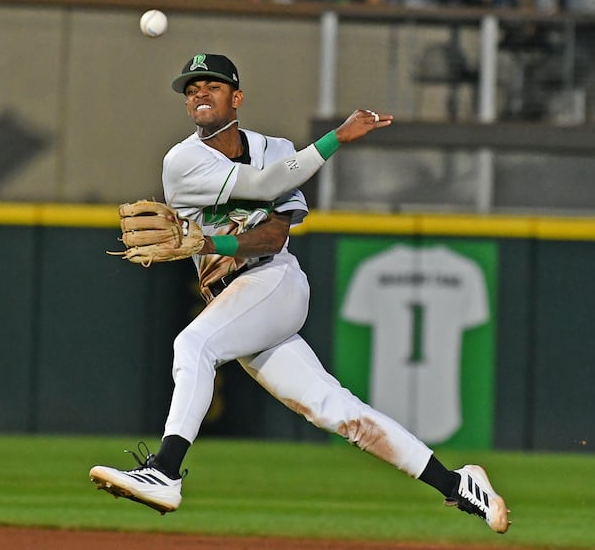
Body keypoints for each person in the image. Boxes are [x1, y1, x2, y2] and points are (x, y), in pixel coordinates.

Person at [89, 53, 510, 534]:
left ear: (237, 97)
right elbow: (264, 185)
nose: (199, 93)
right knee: (337, 412)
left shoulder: (276, 149)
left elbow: (272, 236)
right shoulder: (182, 161)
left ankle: (164, 472)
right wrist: (331, 143)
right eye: (191, 89)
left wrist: (211, 240)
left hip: (274, 282)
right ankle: (459, 485)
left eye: (212, 85)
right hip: (235, 303)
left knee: (193, 346)